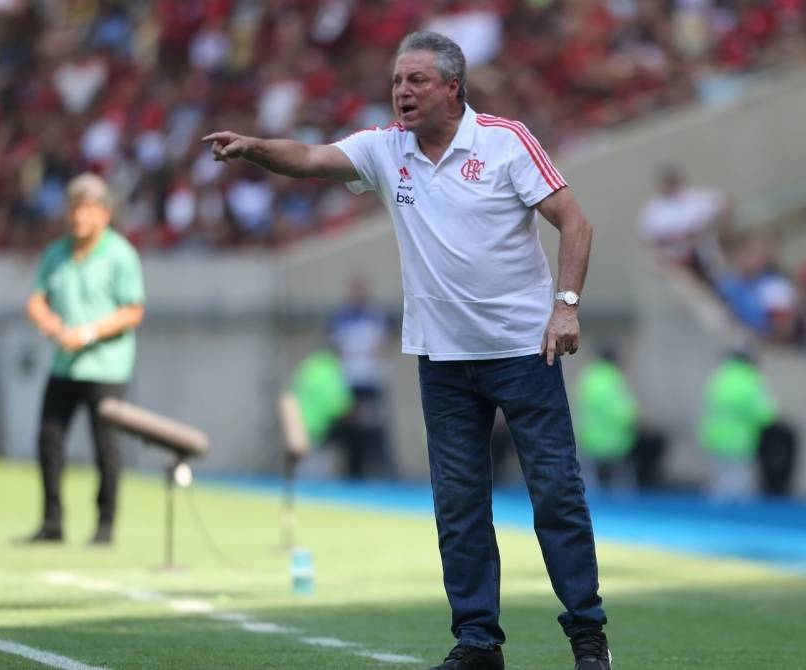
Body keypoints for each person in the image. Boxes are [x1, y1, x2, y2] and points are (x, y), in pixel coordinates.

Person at [204, 30, 611, 670]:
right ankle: (478, 642)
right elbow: (310, 159)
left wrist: (566, 305)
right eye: (397, 81)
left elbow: (576, 222)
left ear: (453, 87)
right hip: (442, 360)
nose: (402, 92)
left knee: (555, 493)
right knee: (458, 505)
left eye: (416, 80)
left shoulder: (506, 140)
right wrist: (256, 150)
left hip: (523, 352)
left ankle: (588, 637)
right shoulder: (385, 149)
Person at [22, 173, 145, 546]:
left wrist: (88, 332)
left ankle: (105, 525)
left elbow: (133, 311)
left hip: (106, 367)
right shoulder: (56, 254)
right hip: (64, 364)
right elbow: (36, 299)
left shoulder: (121, 254)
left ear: (105, 213)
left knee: (105, 447)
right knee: (48, 440)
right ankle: (52, 522)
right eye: (75, 209)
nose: (79, 217)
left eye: (87, 209)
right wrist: (50, 324)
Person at [698, 350, 796, 497]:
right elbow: (765, 414)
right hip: (738, 439)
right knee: (738, 479)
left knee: (720, 479)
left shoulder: (720, 377)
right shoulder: (750, 381)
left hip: (714, 436)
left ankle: (713, 507)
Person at [326, 275, 394, 478]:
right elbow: (335, 347)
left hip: (371, 380)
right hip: (350, 381)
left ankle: (381, 470)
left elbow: (382, 343)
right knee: (351, 429)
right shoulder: (341, 317)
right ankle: (353, 469)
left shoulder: (375, 316)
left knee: (375, 427)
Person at [574, 346, 638, 491]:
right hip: (613, 437)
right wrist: (632, 421)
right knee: (622, 473)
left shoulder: (588, 376)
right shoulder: (613, 378)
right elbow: (621, 409)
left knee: (589, 474)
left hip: (589, 435)